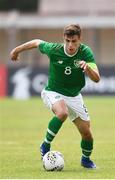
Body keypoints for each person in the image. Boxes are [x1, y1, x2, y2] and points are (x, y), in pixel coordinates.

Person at [10, 24, 100, 169]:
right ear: (64, 39)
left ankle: (86, 160)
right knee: (62, 112)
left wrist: (88, 68)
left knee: (87, 134)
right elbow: (36, 42)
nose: (70, 45)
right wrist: (16, 50)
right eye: (67, 41)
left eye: (74, 41)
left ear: (80, 39)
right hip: (53, 91)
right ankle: (45, 145)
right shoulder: (54, 50)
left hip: (74, 96)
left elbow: (97, 79)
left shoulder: (85, 52)